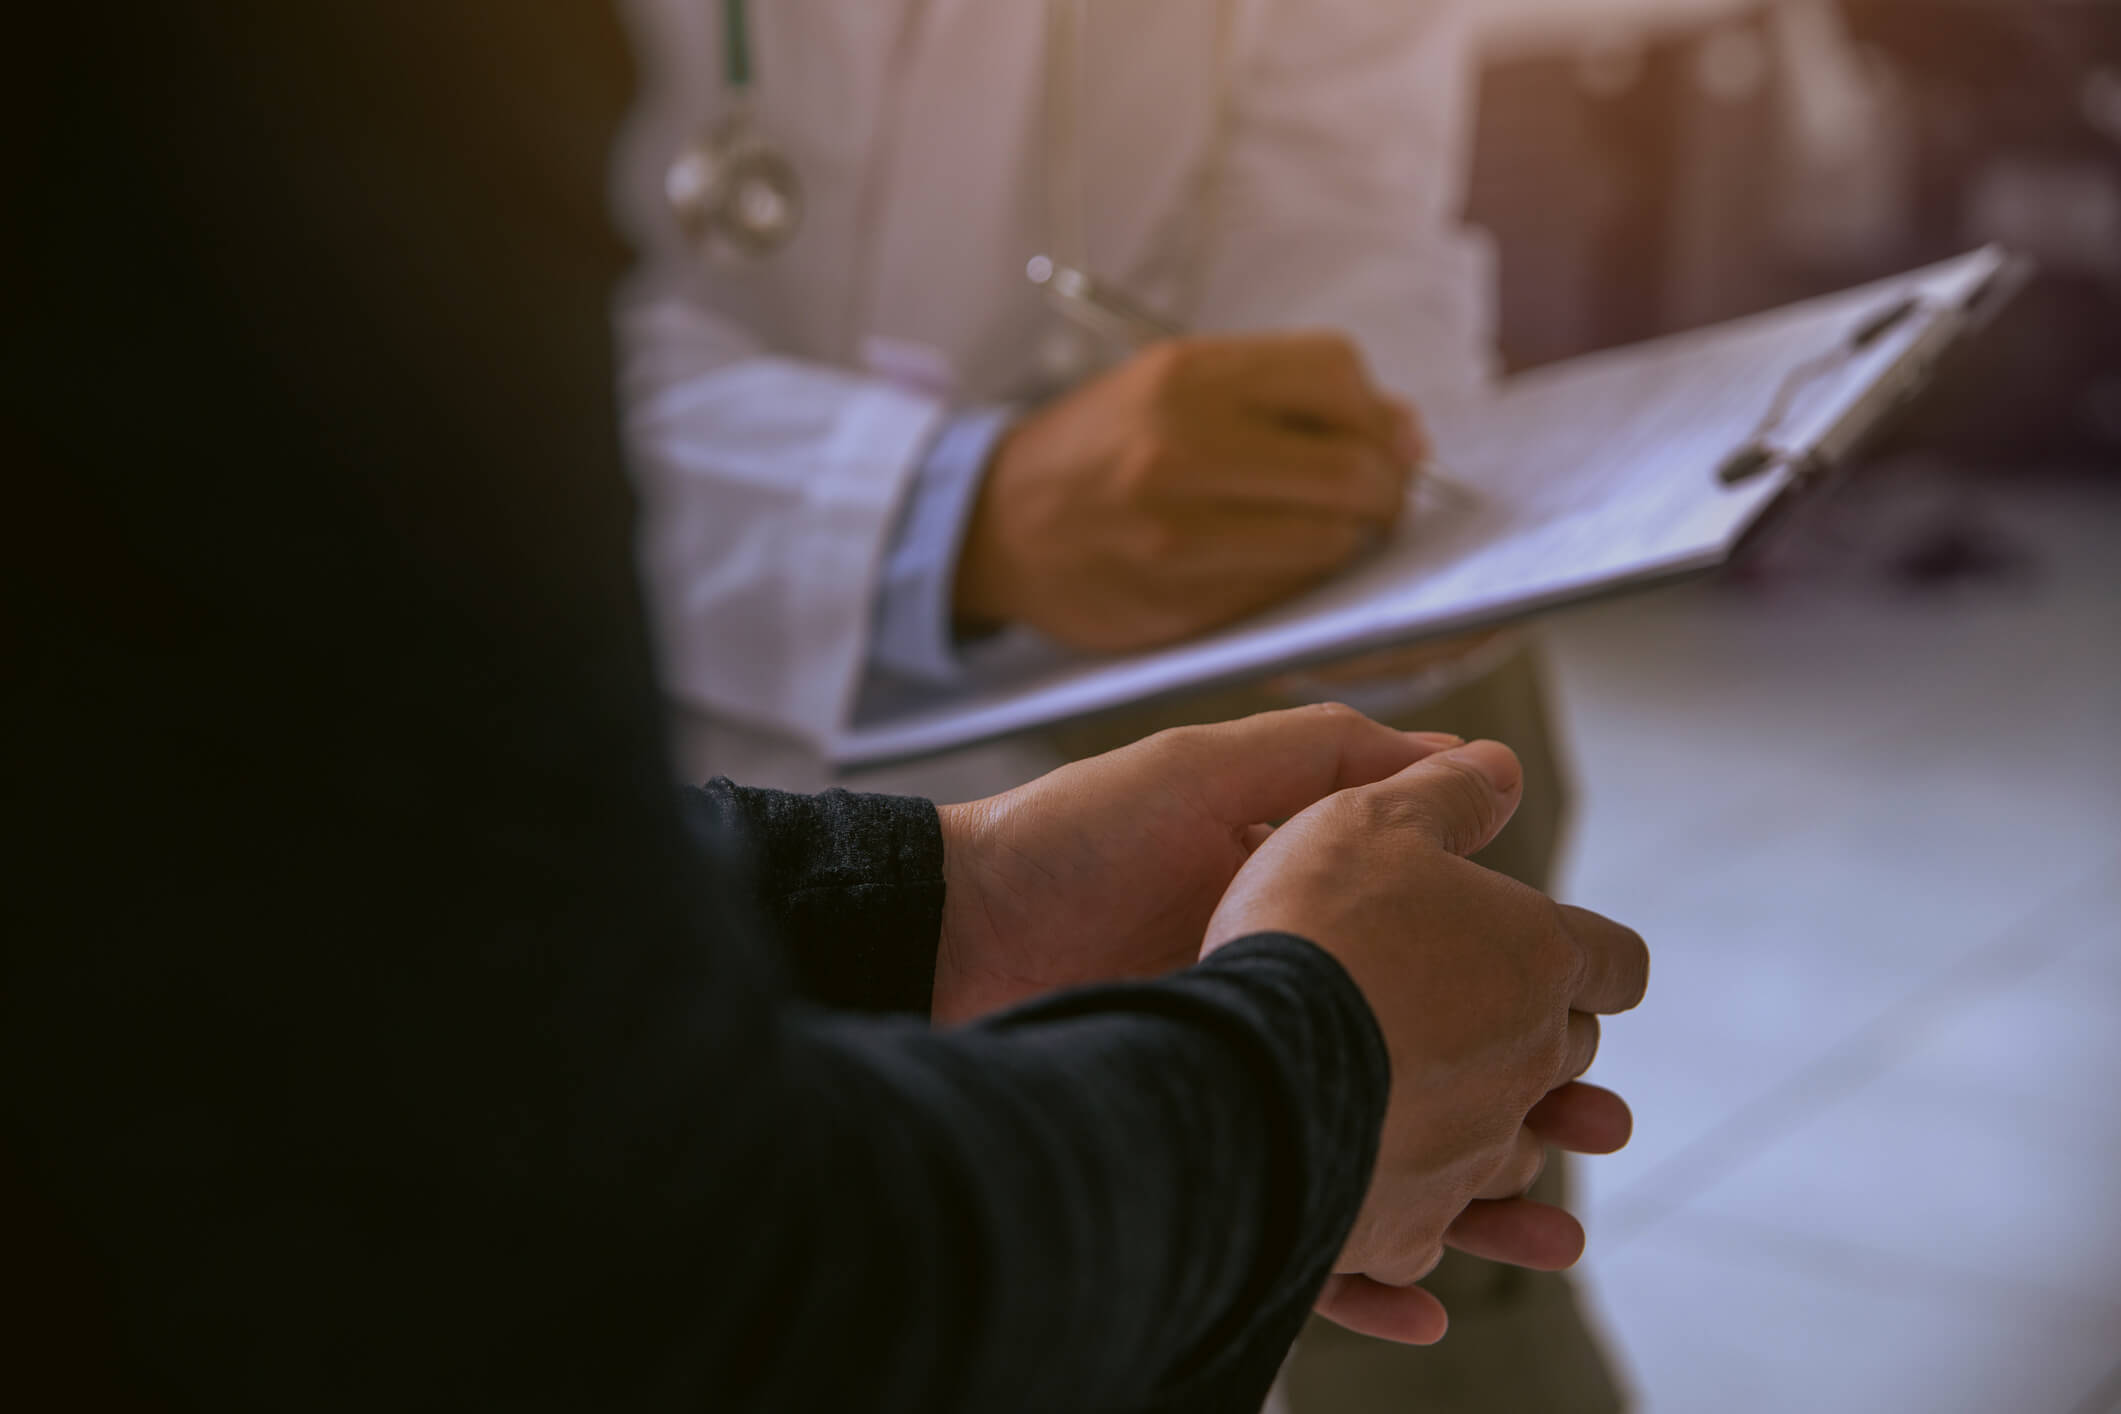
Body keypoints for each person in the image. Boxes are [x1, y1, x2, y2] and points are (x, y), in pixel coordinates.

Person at [5, 4, 1650, 1411]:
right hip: (674, 696)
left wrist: (930, 895)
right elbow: (661, 1277)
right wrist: (948, 506)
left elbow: (1348, 187)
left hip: (1141, 701)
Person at [614, 2, 1614, 1408]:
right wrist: (939, 511)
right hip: (617, 680)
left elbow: (1346, 218)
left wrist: (1333, 498)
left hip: (1134, 680)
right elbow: (372, 329)